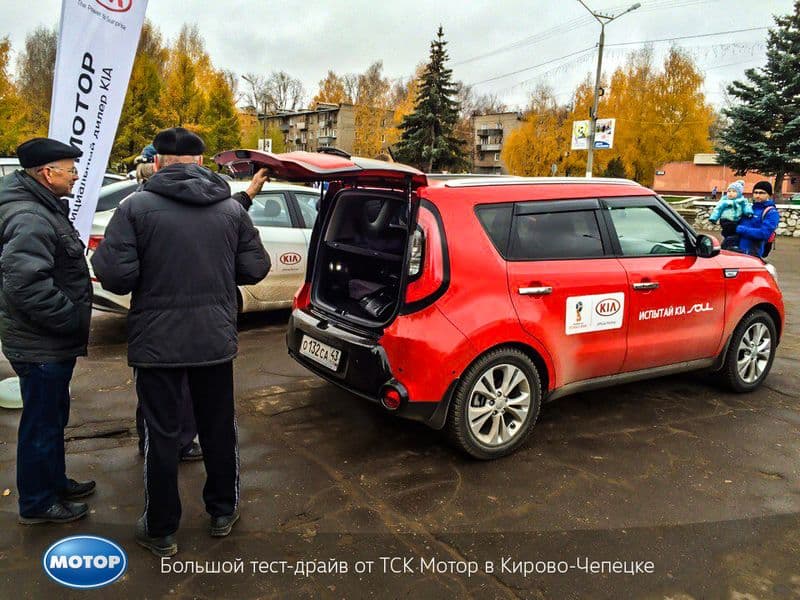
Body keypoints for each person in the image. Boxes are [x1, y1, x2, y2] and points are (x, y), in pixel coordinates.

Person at [91, 127, 271, 557]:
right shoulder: (230, 209)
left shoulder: (134, 208)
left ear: (158, 162)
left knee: (161, 433)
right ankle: (223, 511)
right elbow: (256, 267)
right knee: (218, 428)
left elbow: (115, 275)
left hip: (159, 345)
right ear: (200, 162)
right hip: (213, 340)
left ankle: (160, 529)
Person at [0, 138, 94, 525]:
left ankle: (54, 482)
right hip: (41, 345)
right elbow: (25, 285)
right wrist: (70, 318)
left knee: (52, 418)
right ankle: (38, 502)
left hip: (44, 343)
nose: (75, 175)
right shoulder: (30, 216)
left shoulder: (40, 207)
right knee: (40, 424)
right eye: (69, 169)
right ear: (46, 173)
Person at [735, 180, 780, 258]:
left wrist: (739, 229)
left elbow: (764, 233)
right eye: (755, 192)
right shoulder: (747, 209)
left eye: (762, 193)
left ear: (769, 195)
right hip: (737, 251)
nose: (758, 195)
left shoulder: (771, 212)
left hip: (753, 253)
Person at [708, 180, 751, 249]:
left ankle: (729, 245)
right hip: (725, 220)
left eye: (734, 191)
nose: (731, 193)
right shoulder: (724, 201)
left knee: (732, 234)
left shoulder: (742, 201)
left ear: (739, 193)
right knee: (735, 233)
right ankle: (725, 246)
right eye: (729, 191)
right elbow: (717, 209)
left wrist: (748, 212)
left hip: (736, 220)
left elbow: (746, 207)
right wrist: (714, 218)